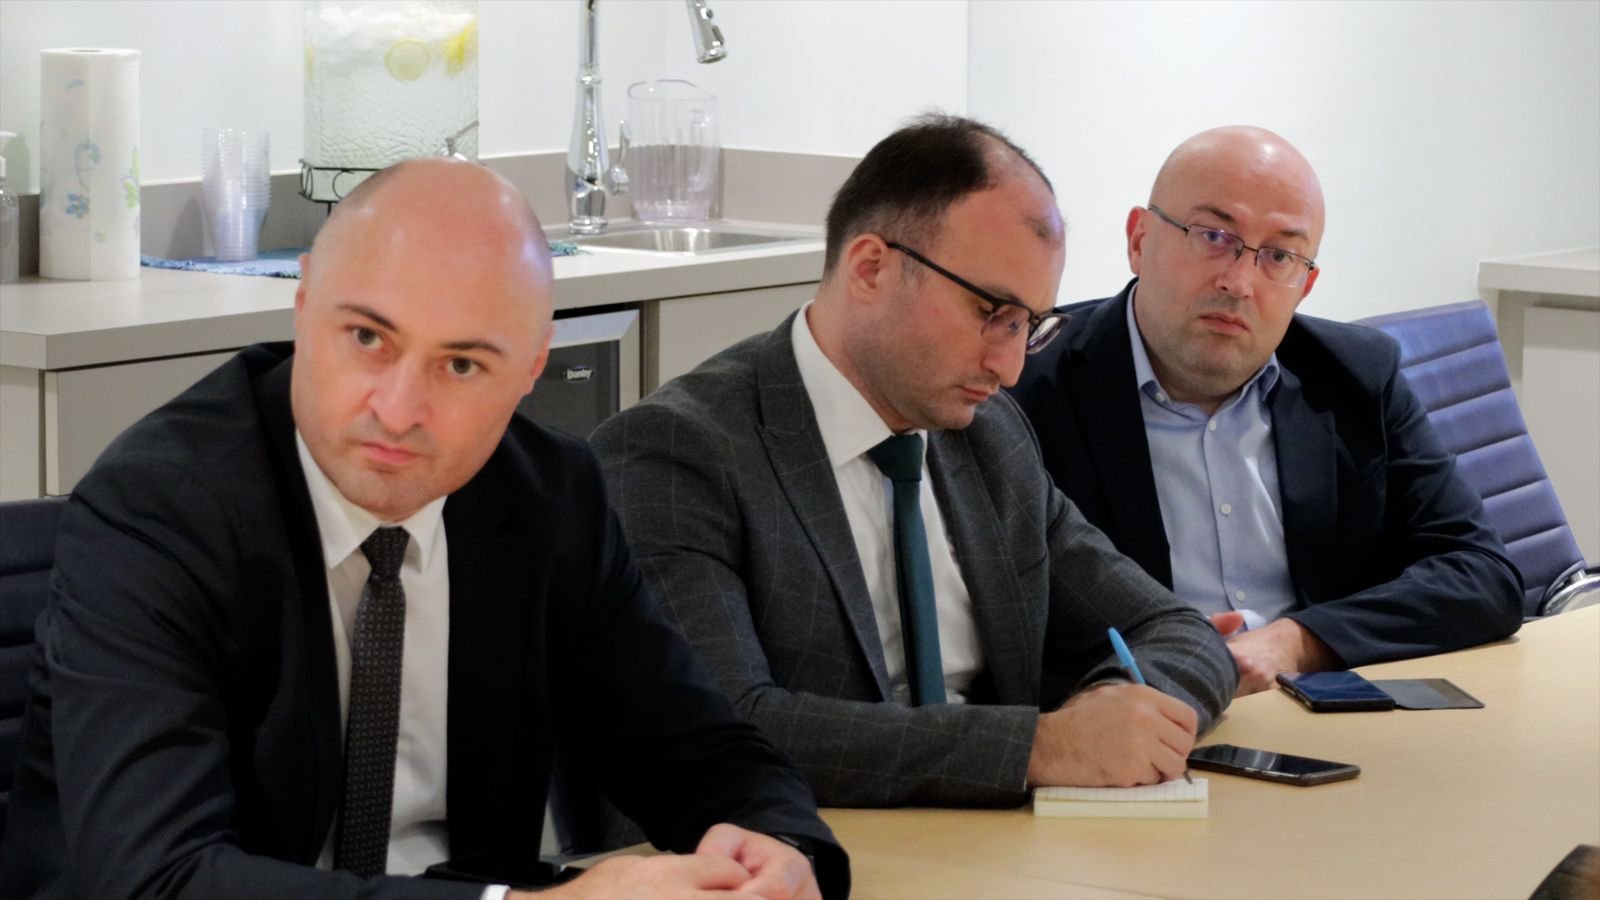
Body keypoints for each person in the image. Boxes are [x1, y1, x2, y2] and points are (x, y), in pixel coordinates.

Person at [0, 158, 846, 900]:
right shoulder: (158, 513)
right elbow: (158, 881)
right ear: (302, 302)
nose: (400, 409)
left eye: (462, 363)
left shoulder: (550, 498)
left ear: (532, 367)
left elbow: (695, 750)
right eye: (367, 337)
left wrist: (778, 849)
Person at [591, 115, 1236, 809]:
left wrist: (1119, 712)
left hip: (994, 846)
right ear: (870, 268)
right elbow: (726, 731)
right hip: (777, 848)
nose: (1010, 367)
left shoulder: (988, 437)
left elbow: (1177, 632)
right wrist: (1039, 748)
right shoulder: (677, 452)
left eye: (1027, 326)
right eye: (990, 311)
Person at [1008, 125, 1523, 695]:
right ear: (1139, 240)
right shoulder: (1021, 385)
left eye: (1279, 255)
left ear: (1306, 284)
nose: (1239, 282)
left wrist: (1299, 641)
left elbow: (1482, 576)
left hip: (1313, 708)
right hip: (1131, 715)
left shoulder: (1354, 376)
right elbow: (1003, 636)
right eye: (1212, 236)